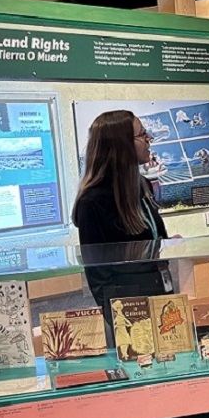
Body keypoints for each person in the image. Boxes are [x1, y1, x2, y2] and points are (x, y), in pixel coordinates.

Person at [72, 110, 172, 341]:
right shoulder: (93, 202)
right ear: (121, 145)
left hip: (159, 292)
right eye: (142, 135)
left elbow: (152, 238)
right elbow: (98, 276)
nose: (149, 139)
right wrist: (123, 324)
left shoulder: (143, 185)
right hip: (128, 310)